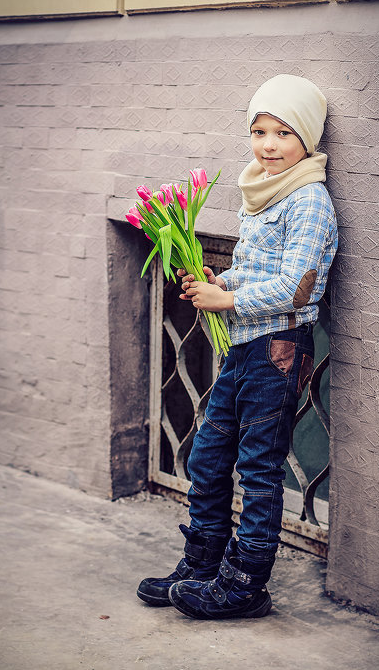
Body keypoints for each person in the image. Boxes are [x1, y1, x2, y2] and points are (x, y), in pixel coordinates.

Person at [137, 74, 338, 620]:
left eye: (282, 133)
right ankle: (202, 566)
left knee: (257, 467)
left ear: (307, 142)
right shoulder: (261, 191)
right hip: (245, 349)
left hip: (278, 349)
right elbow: (255, 271)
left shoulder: (309, 200)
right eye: (259, 131)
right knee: (208, 454)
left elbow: (301, 285)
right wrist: (220, 281)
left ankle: (246, 585)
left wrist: (228, 302)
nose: (268, 145)